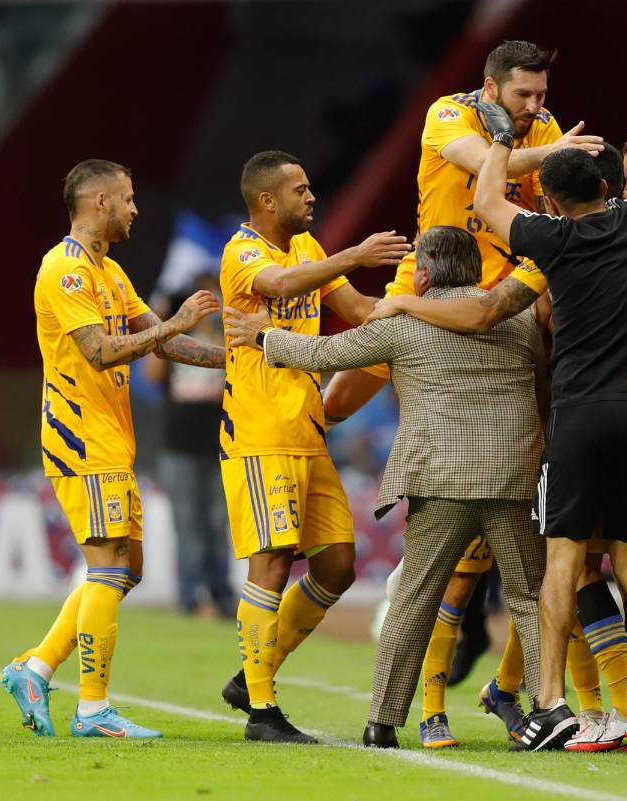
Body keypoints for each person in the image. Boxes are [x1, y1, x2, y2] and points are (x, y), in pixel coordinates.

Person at [369, 103, 627, 753]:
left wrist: (500, 140)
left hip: (578, 415)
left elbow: (487, 195)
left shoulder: (547, 240)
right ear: (610, 190)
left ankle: (547, 702)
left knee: (563, 561)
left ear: (548, 200)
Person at [321, 40, 599, 738]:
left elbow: (549, 198)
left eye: (541, 96)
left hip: (507, 285)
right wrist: (551, 153)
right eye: (524, 96)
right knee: (335, 399)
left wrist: (550, 154)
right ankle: (305, 478)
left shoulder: (540, 124)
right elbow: (484, 168)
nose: (535, 107)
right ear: (489, 86)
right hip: (431, 278)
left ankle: (548, 463)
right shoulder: (449, 113)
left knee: (558, 352)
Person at [223, 225, 547, 751]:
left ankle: (382, 722)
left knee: (413, 603)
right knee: (531, 599)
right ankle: (546, 707)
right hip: (511, 478)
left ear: (422, 274)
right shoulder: (520, 322)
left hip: (437, 483)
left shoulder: (403, 323)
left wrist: (262, 336)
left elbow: (325, 354)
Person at [0, 159, 225, 739]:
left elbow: (164, 345)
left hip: (111, 441)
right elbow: (100, 351)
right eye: (127, 198)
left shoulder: (112, 274)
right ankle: (93, 709)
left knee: (128, 570)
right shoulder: (65, 271)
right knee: (107, 569)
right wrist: (175, 325)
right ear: (99, 202)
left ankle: (36, 667)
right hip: (80, 437)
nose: (134, 208)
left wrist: (240, 359)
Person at [215, 150, 411, 744]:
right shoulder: (243, 251)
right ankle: (262, 712)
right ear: (267, 201)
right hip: (259, 432)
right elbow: (275, 285)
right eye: (300, 191)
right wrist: (353, 255)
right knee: (272, 561)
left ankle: (254, 675)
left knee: (336, 566)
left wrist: (422, 307)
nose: (312, 198)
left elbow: (355, 311)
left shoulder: (309, 249)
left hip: (308, 428)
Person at [143, 273, 235, 618]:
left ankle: (221, 594)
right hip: (178, 446)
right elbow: (152, 375)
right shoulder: (175, 339)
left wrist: (216, 330)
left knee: (218, 521)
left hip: (221, 444)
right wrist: (168, 323)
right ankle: (188, 597)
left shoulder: (230, 337)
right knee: (186, 522)